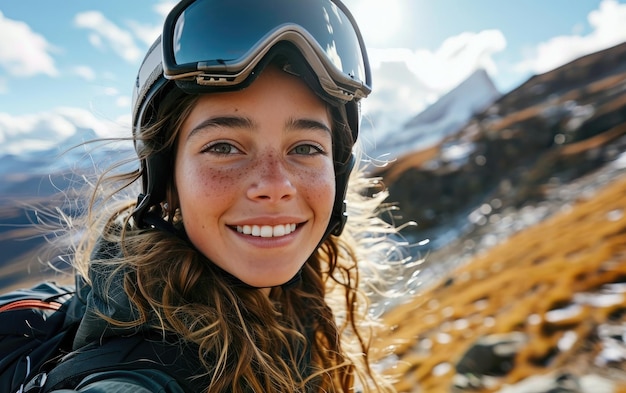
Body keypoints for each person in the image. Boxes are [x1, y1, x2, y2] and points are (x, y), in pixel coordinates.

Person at [46, 0, 412, 391]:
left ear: (339, 171)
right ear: (166, 179)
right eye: (223, 147)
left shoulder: (299, 303)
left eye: (306, 148)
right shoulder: (135, 378)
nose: (275, 186)